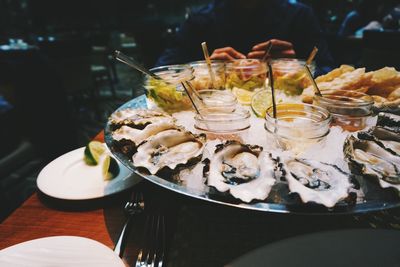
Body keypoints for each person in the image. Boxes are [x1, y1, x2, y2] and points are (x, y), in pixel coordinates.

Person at [155, 0, 335, 75]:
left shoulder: (299, 16)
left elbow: (329, 70)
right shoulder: (199, 20)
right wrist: (205, 72)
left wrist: (298, 70)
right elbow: (160, 73)